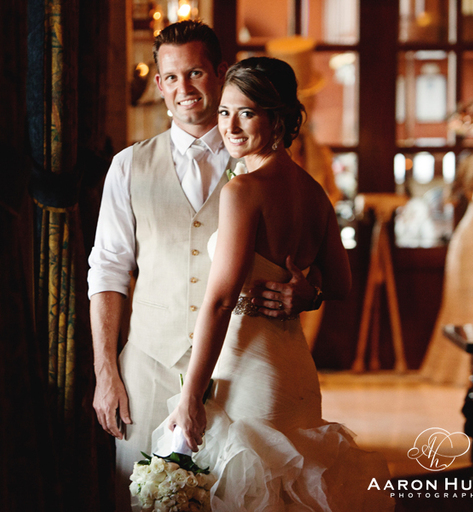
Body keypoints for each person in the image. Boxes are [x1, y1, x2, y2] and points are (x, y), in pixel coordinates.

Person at [87, 21, 322, 511]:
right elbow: (108, 270)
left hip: (244, 372)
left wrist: (307, 291)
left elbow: (313, 258)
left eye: (194, 72)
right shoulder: (128, 166)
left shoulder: (262, 162)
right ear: (158, 85)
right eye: (170, 78)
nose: (183, 89)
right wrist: (105, 370)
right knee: (144, 501)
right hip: (148, 368)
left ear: (220, 72)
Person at [163, 57, 393, 510]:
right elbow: (342, 283)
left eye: (246, 113)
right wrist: (310, 294)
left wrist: (191, 396)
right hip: (294, 371)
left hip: (251, 373)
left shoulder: (242, 191)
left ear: (279, 118)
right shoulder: (312, 190)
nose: (229, 125)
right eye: (224, 112)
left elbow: (220, 301)